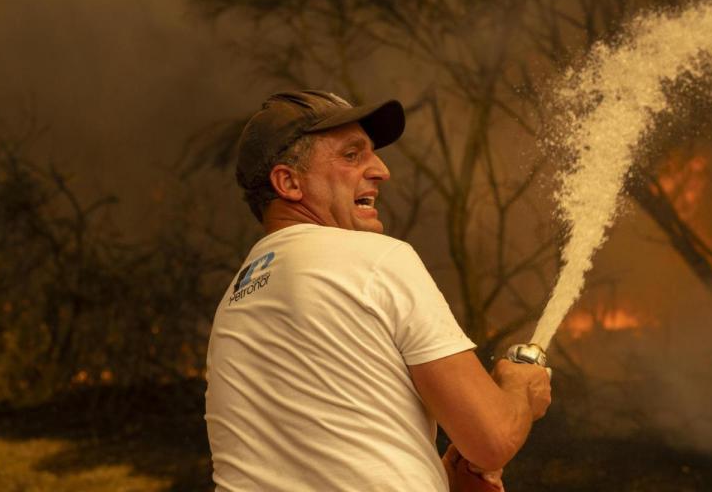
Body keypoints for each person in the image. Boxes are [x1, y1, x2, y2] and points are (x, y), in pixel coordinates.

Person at [205, 90, 551, 491]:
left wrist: (446, 478)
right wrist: (518, 386)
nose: (381, 170)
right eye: (351, 155)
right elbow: (493, 440)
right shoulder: (377, 259)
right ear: (288, 182)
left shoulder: (236, 299)